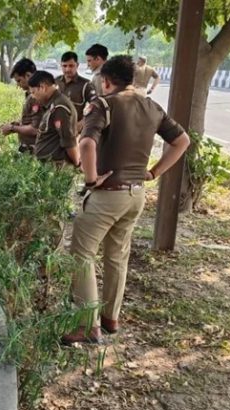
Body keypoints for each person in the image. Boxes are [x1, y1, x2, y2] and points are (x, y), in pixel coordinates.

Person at [63, 55, 191, 343]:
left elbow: (86, 143)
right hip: (136, 195)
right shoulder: (152, 107)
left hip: (107, 195)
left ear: (107, 81)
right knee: (117, 256)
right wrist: (154, 172)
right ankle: (111, 317)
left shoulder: (103, 104)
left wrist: (91, 180)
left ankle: (88, 325)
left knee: (82, 255)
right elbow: (182, 141)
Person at [28, 71, 79, 165]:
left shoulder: (59, 107)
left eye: (33, 92)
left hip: (56, 166)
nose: (33, 97)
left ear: (42, 87)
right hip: (49, 165)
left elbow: (68, 141)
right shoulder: (53, 104)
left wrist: (77, 163)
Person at [0, 58, 45, 153]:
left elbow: (35, 129)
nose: (18, 85)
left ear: (28, 75)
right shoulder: (30, 94)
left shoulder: (36, 96)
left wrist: (13, 128)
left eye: (19, 81)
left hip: (37, 149)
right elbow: (33, 120)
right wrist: (18, 124)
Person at [57, 51, 96, 132]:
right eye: (64, 66)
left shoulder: (86, 84)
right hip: (55, 130)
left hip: (74, 131)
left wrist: (83, 122)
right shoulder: (55, 82)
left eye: (71, 66)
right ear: (61, 65)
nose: (67, 69)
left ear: (77, 65)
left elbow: (96, 105)